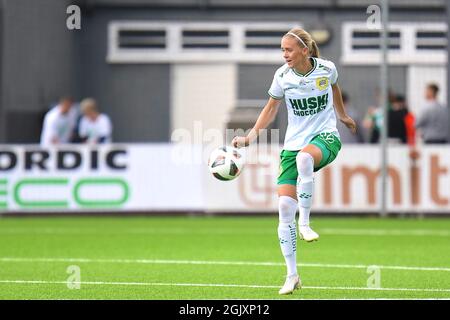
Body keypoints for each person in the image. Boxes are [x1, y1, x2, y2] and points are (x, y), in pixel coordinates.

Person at [231, 28, 356, 295]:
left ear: (304, 51)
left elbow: (335, 88)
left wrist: (342, 116)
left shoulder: (326, 69)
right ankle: (292, 275)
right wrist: (250, 136)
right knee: (285, 208)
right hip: (292, 145)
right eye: (282, 50)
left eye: (288, 49)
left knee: (305, 159)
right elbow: (271, 108)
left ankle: (306, 223)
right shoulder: (282, 76)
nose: (284, 54)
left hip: (326, 138)